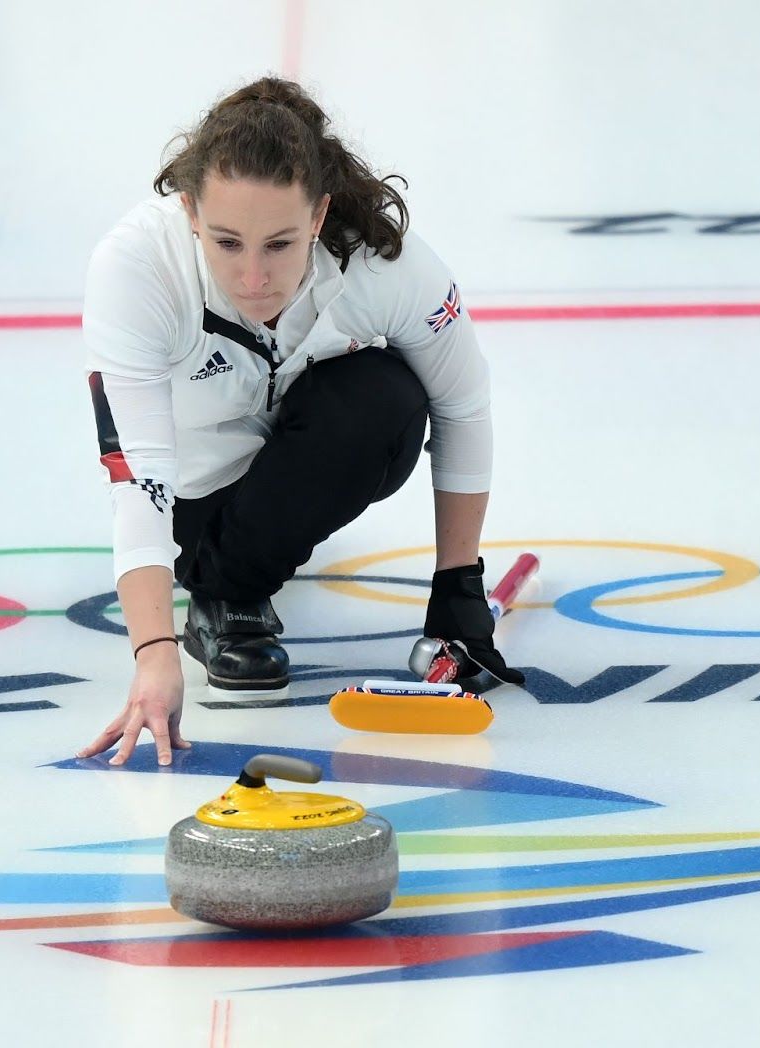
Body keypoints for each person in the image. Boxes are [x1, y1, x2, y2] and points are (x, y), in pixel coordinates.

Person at [75, 75, 523, 767]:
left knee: (387, 399)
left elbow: (463, 401)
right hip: (196, 503)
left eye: (280, 244)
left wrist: (458, 586)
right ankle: (226, 594)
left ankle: (250, 570)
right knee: (203, 534)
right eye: (227, 243)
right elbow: (138, 476)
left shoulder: (381, 264)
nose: (254, 276)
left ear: (319, 217)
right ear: (190, 212)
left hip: (307, 457)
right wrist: (155, 652)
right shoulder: (137, 268)